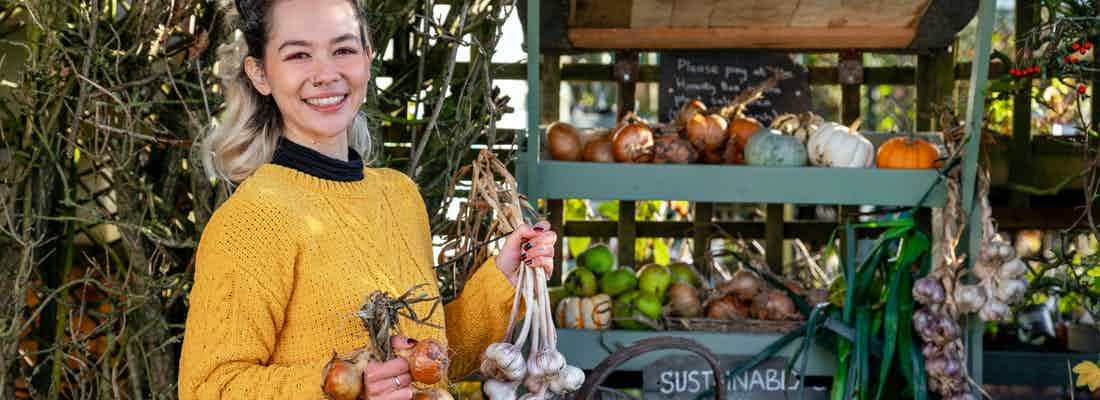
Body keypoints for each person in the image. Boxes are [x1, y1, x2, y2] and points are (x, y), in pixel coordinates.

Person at [177, 0, 557, 398]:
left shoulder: (399, 196)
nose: (326, 74)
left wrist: (505, 279)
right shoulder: (253, 220)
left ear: (367, 58)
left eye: (343, 49)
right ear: (260, 74)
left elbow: (426, 363)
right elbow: (208, 387)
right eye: (298, 55)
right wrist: (344, 384)